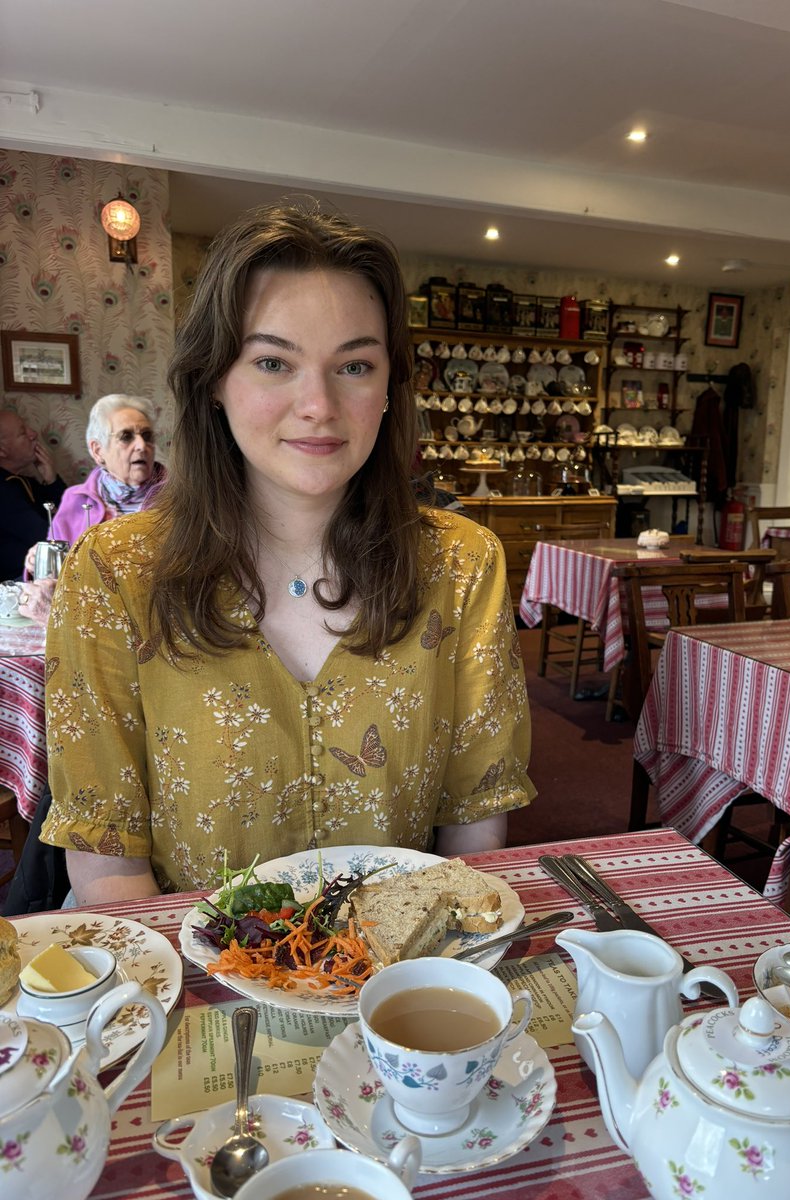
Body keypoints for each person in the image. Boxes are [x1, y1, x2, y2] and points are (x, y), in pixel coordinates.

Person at [42, 202, 535, 904]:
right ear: (214, 380)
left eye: (355, 365)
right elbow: (108, 857)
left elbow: (472, 825)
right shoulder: (115, 572)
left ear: (390, 387)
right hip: (198, 982)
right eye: (274, 361)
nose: (318, 404)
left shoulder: (463, 565)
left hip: (398, 982)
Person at [17, 394, 164, 625]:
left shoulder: (181, 499)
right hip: (87, 623)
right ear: (98, 451)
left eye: (147, 436)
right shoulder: (75, 500)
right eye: (126, 437)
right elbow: (53, 580)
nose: (141, 446)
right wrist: (38, 563)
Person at [0, 409, 65, 579]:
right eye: (23, 432)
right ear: (2, 450)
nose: (33, 434)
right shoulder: (3, 490)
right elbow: (49, 537)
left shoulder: (25, 482)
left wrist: (51, 480)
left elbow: (71, 515)